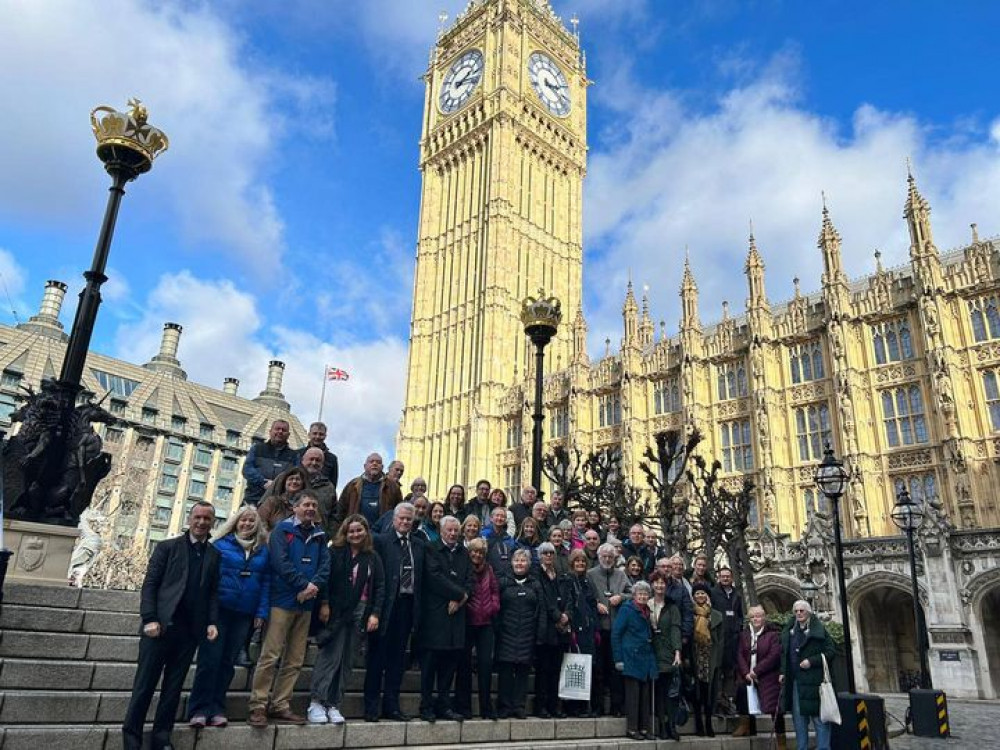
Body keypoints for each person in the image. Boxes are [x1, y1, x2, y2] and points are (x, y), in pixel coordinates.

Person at [122, 502, 220, 750]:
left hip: (189, 633)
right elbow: (151, 584)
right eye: (197, 517)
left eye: (207, 519)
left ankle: (161, 738)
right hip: (160, 629)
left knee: (172, 690)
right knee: (144, 686)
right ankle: (131, 739)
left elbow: (212, 593)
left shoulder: (214, 555)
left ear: (213, 523)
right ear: (189, 519)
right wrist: (149, 618)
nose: (201, 522)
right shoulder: (167, 547)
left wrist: (211, 622)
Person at [248, 491, 330, 727]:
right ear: (295, 508)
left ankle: (280, 704)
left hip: (306, 604)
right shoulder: (282, 531)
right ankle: (258, 705)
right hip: (282, 601)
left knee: (295, 659)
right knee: (270, 655)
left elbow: (325, 564)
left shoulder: (320, 535)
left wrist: (313, 587)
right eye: (306, 504)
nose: (310, 508)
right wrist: (303, 585)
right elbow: (280, 563)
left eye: (314, 505)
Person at [187, 506, 269, 729]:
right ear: (235, 522)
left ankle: (217, 707)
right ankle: (198, 708)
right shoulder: (220, 545)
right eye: (243, 520)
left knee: (227, 663)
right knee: (209, 660)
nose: (247, 524)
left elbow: (266, 583)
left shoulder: (263, 550)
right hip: (218, 610)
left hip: (244, 613)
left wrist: (261, 612)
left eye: (252, 521)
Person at [308, 514, 384, 725]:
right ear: (345, 532)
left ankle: (334, 703)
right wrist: (324, 603)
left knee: (347, 661)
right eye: (351, 530)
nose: (355, 534)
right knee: (330, 657)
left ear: (366, 532)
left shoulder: (372, 557)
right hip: (336, 612)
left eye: (359, 530)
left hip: (360, 613)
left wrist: (375, 613)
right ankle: (317, 700)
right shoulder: (335, 552)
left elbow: (379, 587)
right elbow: (325, 579)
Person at [366, 502, 426, 722]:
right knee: (377, 658)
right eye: (401, 518)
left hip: (407, 607)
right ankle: (371, 706)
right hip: (385, 606)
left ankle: (391, 705)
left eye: (409, 519)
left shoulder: (419, 545)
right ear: (393, 520)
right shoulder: (382, 542)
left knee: (397, 660)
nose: (405, 522)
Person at [418, 515, 471, 722]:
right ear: (441, 531)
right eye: (449, 530)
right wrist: (458, 594)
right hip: (435, 615)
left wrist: (461, 599)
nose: (452, 533)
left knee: (449, 665)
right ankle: (426, 706)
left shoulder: (463, 552)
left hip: (456, 616)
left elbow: (469, 580)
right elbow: (434, 576)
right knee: (430, 665)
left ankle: (444, 705)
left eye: (455, 530)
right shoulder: (430, 548)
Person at [454, 537, 500, 720]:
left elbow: (495, 591)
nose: (477, 555)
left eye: (480, 552)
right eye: (474, 551)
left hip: (486, 623)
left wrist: (493, 606)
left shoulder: (489, 569)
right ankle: (463, 707)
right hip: (467, 621)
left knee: (486, 665)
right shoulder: (464, 567)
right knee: (463, 665)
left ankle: (486, 708)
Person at [780, 600, 836, 750]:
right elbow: (784, 654)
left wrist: (812, 661)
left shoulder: (819, 630)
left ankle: (823, 748)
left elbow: (831, 652)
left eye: (802, 611)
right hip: (797, 683)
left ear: (809, 612)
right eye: (796, 611)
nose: (798, 613)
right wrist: (782, 672)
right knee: (799, 721)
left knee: (820, 720)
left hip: (816, 683)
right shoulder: (789, 631)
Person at [495, 549, 541, 719]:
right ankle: (504, 706)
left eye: (523, 561)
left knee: (523, 671)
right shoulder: (504, 583)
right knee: (505, 672)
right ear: (511, 563)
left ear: (529, 564)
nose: (520, 563)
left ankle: (519, 706)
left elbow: (539, 609)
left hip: (528, 633)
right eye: (517, 560)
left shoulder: (535, 584)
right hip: (506, 633)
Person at [587, 542, 631, 716]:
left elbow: (633, 593)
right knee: (597, 669)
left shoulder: (621, 575)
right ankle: (597, 706)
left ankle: (616, 707)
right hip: (598, 629)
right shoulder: (591, 574)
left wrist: (620, 597)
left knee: (616, 670)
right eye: (604, 556)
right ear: (599, 557)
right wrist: (596, 604)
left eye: (610, 557)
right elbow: (586, 595)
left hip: (616, 630)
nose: (607, 559)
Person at [612, 580, 658, 741]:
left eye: (646, 594)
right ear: (634, 595)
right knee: (633, 696)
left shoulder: (648, 611)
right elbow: (616, 634)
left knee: (645, 696)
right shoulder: (627, 610)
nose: (643, 596)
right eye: (640, 593)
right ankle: (632, 729)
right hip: (631, 657)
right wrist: (618, 658)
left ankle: (644, 728)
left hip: (646, 658)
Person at [735, 605, 784, 743]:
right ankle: (746, 727)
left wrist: (756, 671)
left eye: (759, 616)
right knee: (743, 697)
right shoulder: (744, 635)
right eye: (753, 616)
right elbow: (739, 654)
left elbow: (774, 655)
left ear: (764, 617)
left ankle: (781, 741)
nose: (756, 619)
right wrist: (746, 673)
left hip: (767, 675)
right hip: (747, 675)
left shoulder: (773, 634)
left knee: (775, 709)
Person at [535, 541, 571, 718]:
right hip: (546, 628)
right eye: (545, 553)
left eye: (551, 553)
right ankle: (541, 706)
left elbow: (569, 597)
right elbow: (544, 599)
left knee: (557, 670)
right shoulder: (537, 575)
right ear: (540, 555)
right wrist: (558, 616)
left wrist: (566, 616)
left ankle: (554, 705)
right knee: (544, 670)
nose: (548, 556)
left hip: (561, 630)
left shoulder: (560, 575)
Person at [649, 571, 682, 741]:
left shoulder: (672, 606)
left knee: (670, 692)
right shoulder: (647, 604)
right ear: (652, 585)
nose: (660, 586)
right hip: (652, 651)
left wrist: (677, 651)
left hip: (668, 652)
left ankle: (671, 725)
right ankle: (661, 725)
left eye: (663, 583)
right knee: (658, 692)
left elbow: (676, 629)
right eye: (657, 583)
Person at [565, 549, 599, 717]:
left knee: (587, 667)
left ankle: (586, 705)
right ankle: (573, 706)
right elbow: (569, 604)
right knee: (575, 668)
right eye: (577, 561)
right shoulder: (569, 580)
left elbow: (593, 604)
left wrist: (595, 628)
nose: (580, 564)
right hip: (575, 629)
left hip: (588, 629)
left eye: (583, 562)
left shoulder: (587, 581)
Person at [335, 453, 403, 532]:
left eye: (378, 462)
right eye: (371, 462)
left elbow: (400, 512)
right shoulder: (352, 485)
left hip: (382, 536)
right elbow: (340, 511)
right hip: (356, 535)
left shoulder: (393, 487)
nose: (374, 464)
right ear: (365, 466)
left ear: (382, 467)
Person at [690, 582, 723, 737]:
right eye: (697, 593)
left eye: (703, 593)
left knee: (709, 692)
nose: (700, 596)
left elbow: (721, 639)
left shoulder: (716, 615)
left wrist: (719, 660)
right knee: (697, 692)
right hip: (695, 655)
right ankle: (698, 724)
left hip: (710, 657)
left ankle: (709, 723)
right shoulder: (690, 613)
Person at [712, 566, 745, 717]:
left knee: (730, 673)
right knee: (718, 673)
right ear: (719, 577)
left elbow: (740, 614)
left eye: (728, 576)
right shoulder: (714, 593)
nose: (725, 578)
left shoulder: (737, 594)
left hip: (733, 639)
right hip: (719, 639)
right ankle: (718, 703)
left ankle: (729, 702)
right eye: (723, 576)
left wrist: (738, 627)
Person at [242, 420, 298, 506]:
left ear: (288, 435)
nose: (280, 432)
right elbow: (247, 469)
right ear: (270, 431)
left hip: (279, 502)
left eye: (284, 430)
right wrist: (263, 482)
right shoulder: (257, 448)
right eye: (277, 429)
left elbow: (295, 477)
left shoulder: (294, 456)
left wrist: (276, 485)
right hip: (253, 498)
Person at [257, 466, 309, 532]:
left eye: (298, 479)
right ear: (285, 483)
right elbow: (260, 522)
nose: (294, 481)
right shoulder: (272, 502)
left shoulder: (307, 506)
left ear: (303, 484)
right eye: (291, 479)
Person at [300, 447, 337, 534]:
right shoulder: (290, 480)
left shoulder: (329, 487)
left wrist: (328, 534)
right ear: (303, 460)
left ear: (322, 464)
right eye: (311, 459)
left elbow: (335, 515)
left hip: (318, 537)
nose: (314, 463)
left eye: (318, 460)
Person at [297, 421, 339, 491]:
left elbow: (333, 483)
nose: (317, 437)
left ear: (325, 436)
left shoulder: (332, 459)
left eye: (321, 434)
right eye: (315, 433)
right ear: (309, 434)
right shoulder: (298, 454)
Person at [484, 506, 516, 573]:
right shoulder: (483, 535)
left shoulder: (508, 539)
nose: (499, 518)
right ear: (491, 518)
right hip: (487, 573)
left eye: (502, 516)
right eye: (497, 515)